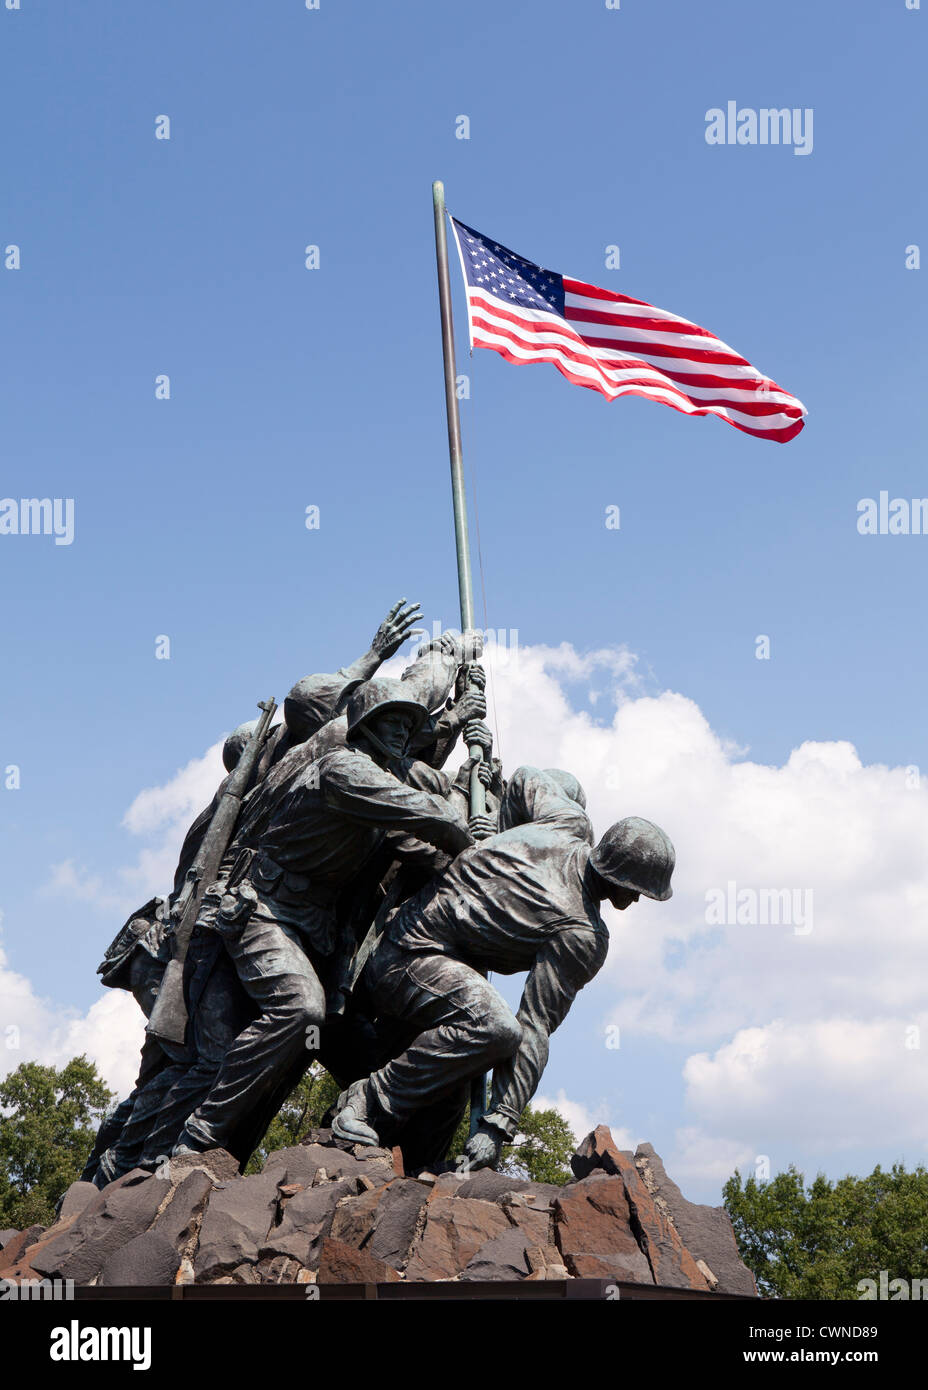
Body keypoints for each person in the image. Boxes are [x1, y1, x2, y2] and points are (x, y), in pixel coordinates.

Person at [164, 679, 476, 1164]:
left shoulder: (377, 783)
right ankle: (198, 1139)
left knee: (366, 1055)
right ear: (365, 725)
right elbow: (425, 814)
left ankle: (369, 1140)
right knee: (299, 1011)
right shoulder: (343, 769)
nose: (400, 732)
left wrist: (480, 855)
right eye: (391, 721)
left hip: (316, 935)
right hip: (263, 910)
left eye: (407, 725)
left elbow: (419, 849)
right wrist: (464, 827)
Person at [333, 767, 675, 1170]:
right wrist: (499, 1123)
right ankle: (366, 1100)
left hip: (429, 952)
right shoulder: (582, 935)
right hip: (406, 957)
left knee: (452, 1092)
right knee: (494, 1028)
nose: (636, 901)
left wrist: (496, 842)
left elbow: (526, 777)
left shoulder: (569, 821)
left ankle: (418, 1173)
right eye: (636, 891)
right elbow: (533, 1026)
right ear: (620, 879)